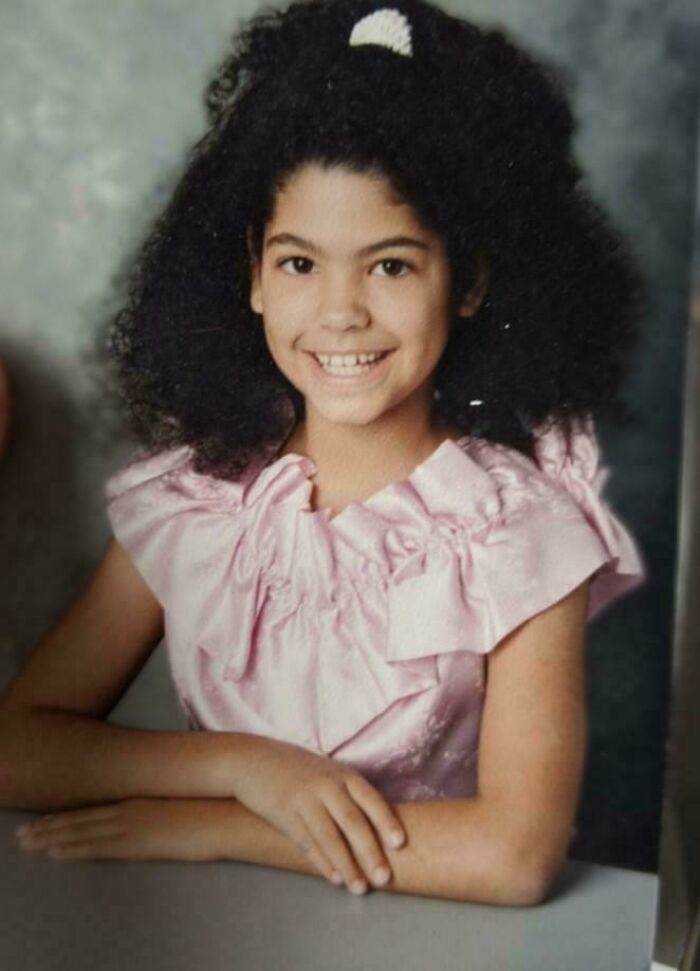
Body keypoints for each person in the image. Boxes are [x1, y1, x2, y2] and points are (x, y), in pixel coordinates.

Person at [0, 0, 646, 906]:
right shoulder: (201, 501)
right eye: (300, 263)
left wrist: (218, 823)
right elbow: (15, 747)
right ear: (253, 277)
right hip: (216, 934)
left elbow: (514, 855)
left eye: (390, 265)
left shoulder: (514, 530)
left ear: (469, 283)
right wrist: (244, 767)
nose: (340, 312)